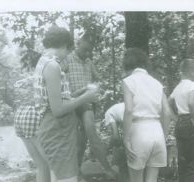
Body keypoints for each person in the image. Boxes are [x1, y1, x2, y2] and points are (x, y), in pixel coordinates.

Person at [33, 26, 99, 182]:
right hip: (57, 130)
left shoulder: (44, 62)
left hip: (56, 129)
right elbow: (57, 109)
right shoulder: (52, 66)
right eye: (68, 50)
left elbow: (55, 99)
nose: (68, 55)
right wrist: (86, 97)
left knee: (61, 177)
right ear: (64, 45)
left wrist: (82, 92)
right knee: (68, 178)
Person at [63, 33, 116, 179]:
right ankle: (77, 172)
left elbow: (99, 79)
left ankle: (107, 168)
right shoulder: (67, 60)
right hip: (72, 103)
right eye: (84, 49)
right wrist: (80, 91)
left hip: (87, 104)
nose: (87, 53)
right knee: (79, 141)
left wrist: (95, 86)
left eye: (89, 51)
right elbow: (60, 86)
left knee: (91, 132)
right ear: (78, 43)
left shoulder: (88, 62)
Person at [122, 48, 171, 182]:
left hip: (139, 130)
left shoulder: (129, 81)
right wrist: (164, 136)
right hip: (157, 131)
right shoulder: (157, 83)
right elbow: (167, 112)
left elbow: (129, 110)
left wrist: (125, 139)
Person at [169, 59, 194, 182]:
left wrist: (175, 118)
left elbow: (168, 102)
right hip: (190, 123)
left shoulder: (178, 86)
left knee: (182, 161)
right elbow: (191, 102)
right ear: (191, 71)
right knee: (193, 162)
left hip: (180, 123)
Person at [103, 103, 128, 182]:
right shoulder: (118, 109)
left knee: (118, 151)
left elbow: (116, 136)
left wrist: (108, 148)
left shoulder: (108, 114)